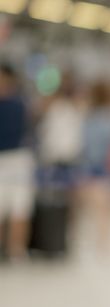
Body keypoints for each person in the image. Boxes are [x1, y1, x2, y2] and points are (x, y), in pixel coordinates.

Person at [0, 63, 35, 261]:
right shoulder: (21, 103)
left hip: (18, 160)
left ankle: (16, 251)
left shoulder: (19, 103)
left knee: (19, 209)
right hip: (4, 159)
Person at [80, 81, 110, 252]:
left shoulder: (90, 117)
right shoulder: (107, 119)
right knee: (104, 210)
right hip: (103, 167)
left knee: (91, 209)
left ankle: (98, 243)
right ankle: (103, 243)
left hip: (91, 167)